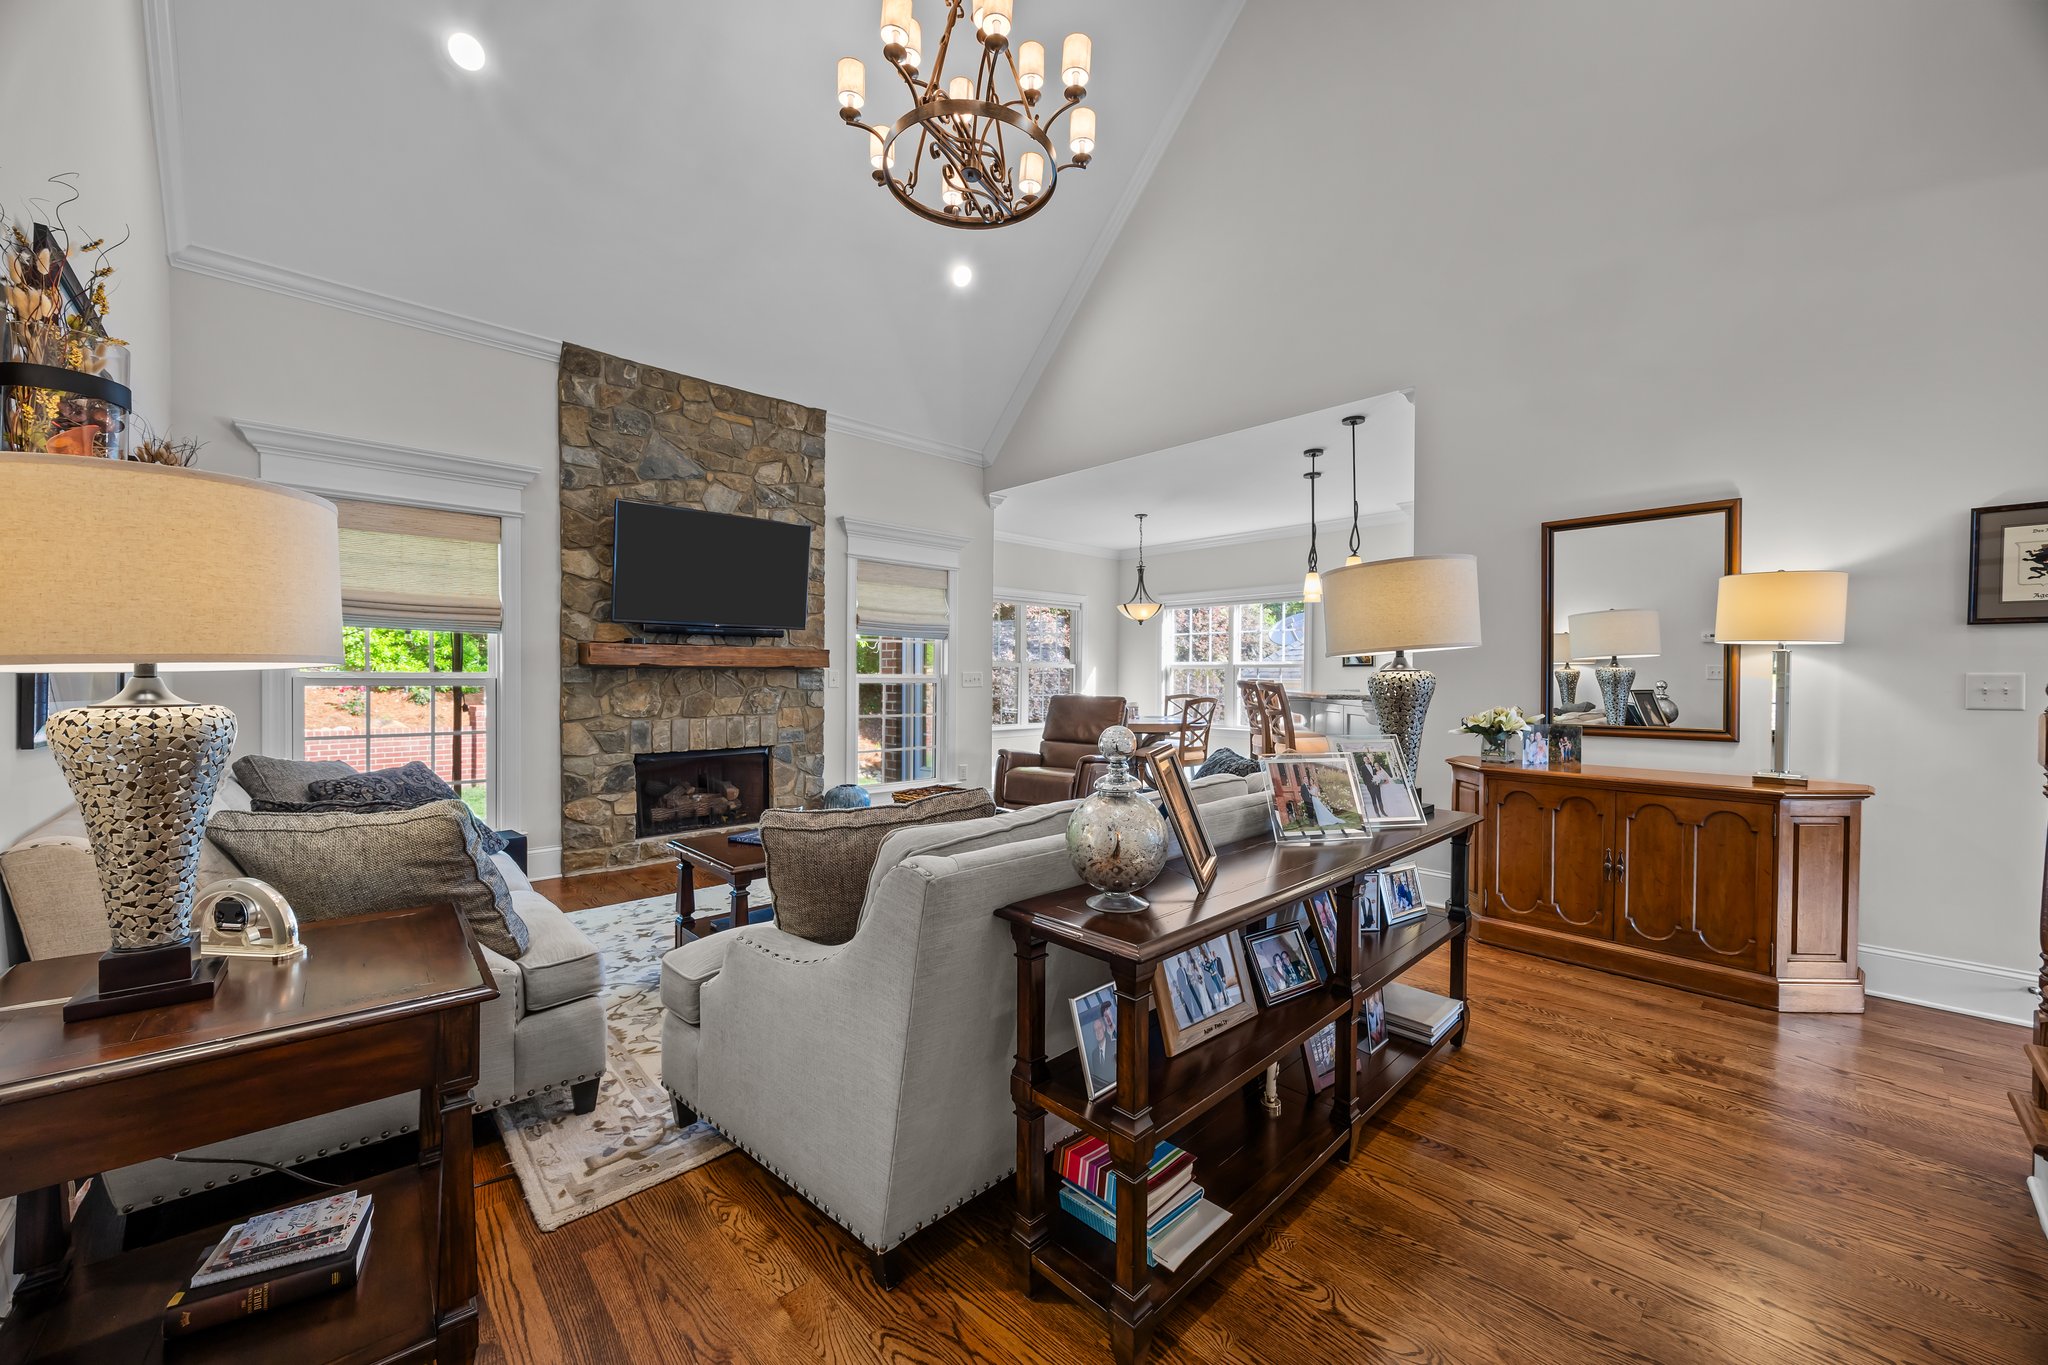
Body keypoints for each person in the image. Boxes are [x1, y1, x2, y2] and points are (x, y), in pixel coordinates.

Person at [1086, 1003, 1116, 1088]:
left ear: (1104, 1028)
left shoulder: (1114, 1045)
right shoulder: (1094, 1054)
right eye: (1095, 1030)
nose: (1098, 1032)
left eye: (1099, 1028)